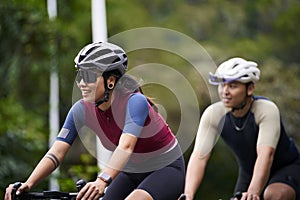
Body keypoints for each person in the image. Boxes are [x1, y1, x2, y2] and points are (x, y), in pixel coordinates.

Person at [5, 42, 185, 200]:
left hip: (166, 168)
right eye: (80, 76)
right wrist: (28, 184)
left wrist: (102, 180)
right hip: (131, 172)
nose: (81, 83)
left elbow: (126, 147)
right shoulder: (80, 110)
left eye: (89, 76)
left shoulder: (135, 102)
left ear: (111, 81)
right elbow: (56, 152)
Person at [180, 57, 300, 200]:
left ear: (250, 89)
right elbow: (200, 157)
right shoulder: (213, 114)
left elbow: (266, 155)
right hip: (248, 173)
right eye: (222, 85)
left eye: (233, 86)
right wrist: (188, 194)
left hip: (286, 168)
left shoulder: (266, 109)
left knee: (273, 195)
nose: (225, 91)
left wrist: (253, 192)